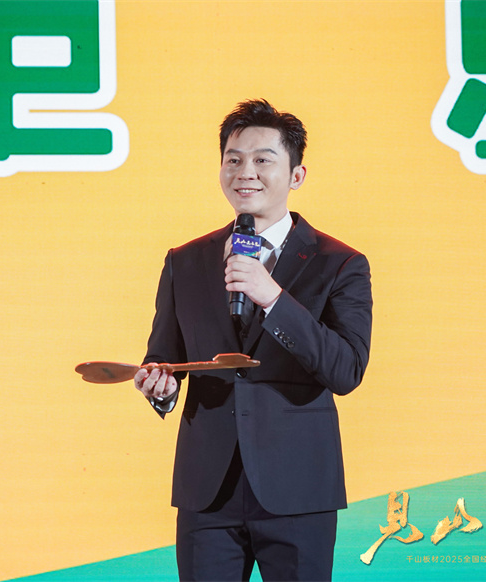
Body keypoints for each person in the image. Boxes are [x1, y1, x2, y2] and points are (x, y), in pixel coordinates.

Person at [133, 99, 373, 581]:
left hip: (298, 487)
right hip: (208, 491)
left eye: (263, 159)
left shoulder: (340, 263)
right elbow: (164, 356)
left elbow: (346, 370)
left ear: (296, 175)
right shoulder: (186, 260)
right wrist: (160, 387)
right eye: (234, 159)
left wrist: (273, 298)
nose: (246, 172)